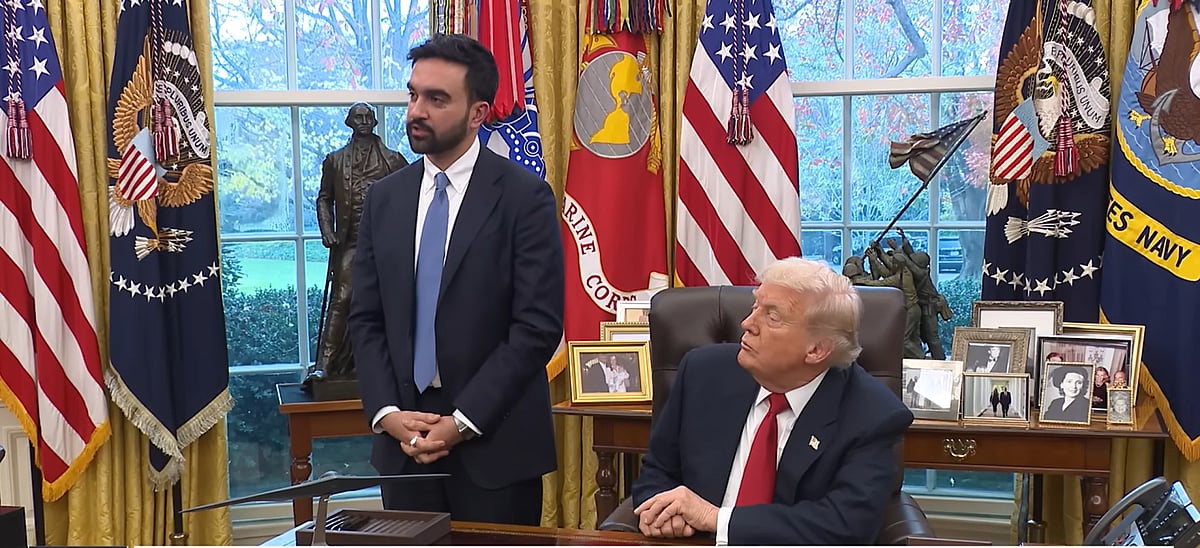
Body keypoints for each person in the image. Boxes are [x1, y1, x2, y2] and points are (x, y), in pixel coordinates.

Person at [348, 34, 564, 525]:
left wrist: (462, 423)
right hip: (404, 446)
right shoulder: (385, 198)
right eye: (413, 94)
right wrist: (386, 414)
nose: (416, 111)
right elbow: (366, 319)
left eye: (437, 99)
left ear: (477, 113)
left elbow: (536, 328)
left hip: (495, 446)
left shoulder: (525, 199)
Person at [630, 257, 913, 545]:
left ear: (816, 350)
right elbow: (658, 472)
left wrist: (715, 518)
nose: (747, 324)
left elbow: (845, 525)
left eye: (772, 317)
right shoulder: (702, 373)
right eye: (755, 306)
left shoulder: (873, 415)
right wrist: (663, 511)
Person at [311, 103, 409, 379]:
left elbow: (414, 195)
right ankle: (325, 365)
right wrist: (327, 229)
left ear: (375, 121)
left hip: (386, 245)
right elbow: (324, 198)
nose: (364, 121)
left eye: (368, 117)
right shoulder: (335, 160)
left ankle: (391, 363)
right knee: (342, 298)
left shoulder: (393, 160)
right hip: (351, 242)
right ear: (350, 122)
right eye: (359, 117)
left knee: (389, 302)